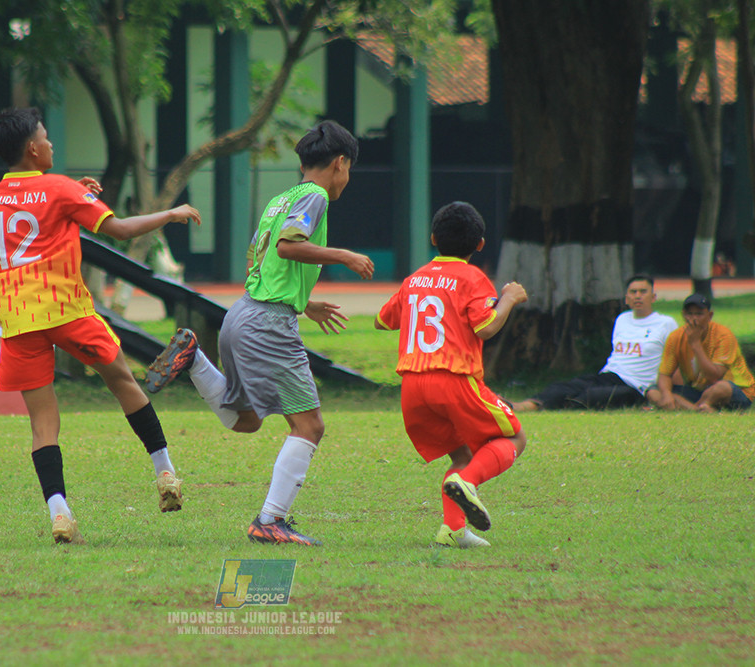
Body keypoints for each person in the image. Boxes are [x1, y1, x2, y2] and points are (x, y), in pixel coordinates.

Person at [145, 120, 374, 546]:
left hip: (243, 314)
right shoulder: (316, 195)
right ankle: (270, 520)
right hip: (268, 324)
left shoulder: (280, 199)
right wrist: (344, 255)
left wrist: (303, 303)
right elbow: (288, 246)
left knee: (245, 421)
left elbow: (263, 257)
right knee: (309, 426)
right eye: (349, 170)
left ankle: (194, 358)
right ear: (340, 163)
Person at [0, 107, 202, 543]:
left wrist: (70, 195)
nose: (51, 144)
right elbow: (118, 229)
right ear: (32, 148)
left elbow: (32, 218)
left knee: (43, 425)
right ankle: (166, 474)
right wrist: (168, 215)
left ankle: (60, 514)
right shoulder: (59, 189)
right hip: (66, 310)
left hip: (17, 319)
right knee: (123, 382)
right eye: (46, 138)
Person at [375, 201, 528, 549]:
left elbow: (382, 320)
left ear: (432, 238)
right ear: (480, 245)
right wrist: (508, 298)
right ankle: (469, 483)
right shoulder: (474, 278)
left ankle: (453, 531)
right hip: (454, 380)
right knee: (515, 438)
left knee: (461, 455)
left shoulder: (415, 278)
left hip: (413, 388)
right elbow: (486, 327)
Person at [511, 275, 677, 412]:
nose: (638, 296)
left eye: (643, 292)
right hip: (609, 375)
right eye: (633, 292)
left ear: (653, 296)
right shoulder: (623, 319)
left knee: (590, 397)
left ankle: (560, 406)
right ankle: (523, 406)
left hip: (636, 386)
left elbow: (675, 361)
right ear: (627, 298)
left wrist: (665, 392)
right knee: (565, 387)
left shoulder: (665, 323)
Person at [646, 293, 755, 412]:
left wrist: (696, 345)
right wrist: (667, 395)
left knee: (722, 387)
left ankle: (689, 407)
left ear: (710, 315)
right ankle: (700, 409)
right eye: (690, 314)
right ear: (683, 315)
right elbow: (665, 374)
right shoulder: (676, 337)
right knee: (653, 392)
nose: (694, 319)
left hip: (736, 391)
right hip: (699, 390)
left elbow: (714, 377)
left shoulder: (723, 336)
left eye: (699, 314)